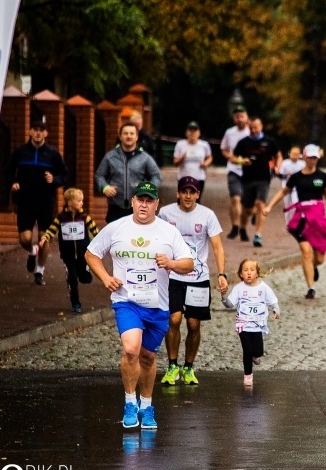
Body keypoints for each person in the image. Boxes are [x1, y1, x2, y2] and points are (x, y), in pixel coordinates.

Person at [85, 181, 194, 430]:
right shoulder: (116, 228)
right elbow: (91, 253)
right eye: (140, 200)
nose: (144, 205)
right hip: (127, 301)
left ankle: (147, 405)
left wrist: (171, 263)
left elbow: (189, 263)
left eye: (149, 201)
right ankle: (129, 402)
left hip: (157, 304)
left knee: (148, 356)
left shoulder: (168, 231)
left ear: (156, 204)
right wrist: (105, 278)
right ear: (132, 201)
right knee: (132, 349)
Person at [157, 176, 229, 386]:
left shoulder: (207, 215)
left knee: (193, 323)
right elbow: (157, 240)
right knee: (174, 319)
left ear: (198, 194)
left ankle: (188, 367)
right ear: (178, 193)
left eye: (192, 192)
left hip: (198, 277)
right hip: (173, 275)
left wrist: (222, 274)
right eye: (184, 192)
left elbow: (217, 247)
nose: (188, 196)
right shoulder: (166, 213)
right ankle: (172, 366)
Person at [263, 144, 326, 299]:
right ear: (304, 157)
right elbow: (283, 192)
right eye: (310, 157)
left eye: (315, 158)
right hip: (302, 218)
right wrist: (269, 207)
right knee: (306, 251)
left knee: (319, 258)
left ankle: (313, 266)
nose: (312, 160)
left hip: (318, 218)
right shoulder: (296, 177)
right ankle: (311, 288)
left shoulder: (322, 176)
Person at [7, 120, 69, 286]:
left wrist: (54, 179)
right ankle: (32, 251)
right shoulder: (20, 152)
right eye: (35, 130)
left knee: (44, 238)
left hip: (45, 202)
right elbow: (8, 171)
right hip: (25, 201)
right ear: (30, 132)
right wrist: (12, 183)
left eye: (41, 130)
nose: (38, 133)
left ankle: (39, 271)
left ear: (46, 133)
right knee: (25, 238)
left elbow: (64, 175)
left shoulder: (53, 154)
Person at [38, 188, 99, 312]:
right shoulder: (61, 217)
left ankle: (86, 270)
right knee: (72, 277)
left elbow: (95, 231)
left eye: (82, 200)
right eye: (79, 200)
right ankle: (75, 303)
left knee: (84, 278)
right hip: (68, 254)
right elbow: (51, 230)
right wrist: (45, 237)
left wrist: (102, 241)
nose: (82, 203)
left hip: (83, 253)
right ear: (70, 203)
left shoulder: (84, 217)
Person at [222, 258, 281, 387]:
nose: (249, 273)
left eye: (252, 270)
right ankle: (248, 375)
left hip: (258, 324)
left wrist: (276, 310)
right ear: (241, 274)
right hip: (243, 324)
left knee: (258, 350)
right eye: (245, 270)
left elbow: (272, 301)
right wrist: (223, 297)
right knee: (247, 350)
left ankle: (256, 355)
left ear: (257, 273)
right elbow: (229, 304)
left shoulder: (263, 287)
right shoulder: (239, 288)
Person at [95, 122, 161, 223]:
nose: (129, 136)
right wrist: (104, 187)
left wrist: (147, 189)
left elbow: (156, 176)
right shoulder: (110, 157)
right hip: (115, 207)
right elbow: (99, 175)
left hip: (137, 206)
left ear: (137, 137)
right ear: (120, 136)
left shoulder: (145, 158)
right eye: (125, 133)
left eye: (132, 133)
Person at [232, 117, 282, 247]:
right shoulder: (243, 142)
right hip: (247, 179)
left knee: (260, 204)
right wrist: (242, 161)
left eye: (256, 127)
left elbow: (278, 155)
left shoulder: (269, 141)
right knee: (247, 209)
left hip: (264, 179)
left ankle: (258, 235)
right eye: (251, 128)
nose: (254, 130)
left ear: (261, 126)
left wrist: (277, 166)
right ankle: (243, 226)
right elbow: (233, 157)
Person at [220, 105, 250, 239]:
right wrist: (229, 157)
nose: (239, 119)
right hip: (234, 169)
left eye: (241, 116)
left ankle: (244, 227)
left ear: (246, 117)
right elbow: (224, 149)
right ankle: (235, 226)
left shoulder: (251, 132)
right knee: (235, 199)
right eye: (237, 117)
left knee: (248, 204)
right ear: (234, 119)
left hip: (249, 171)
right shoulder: (229, 132)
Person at [173, 121, 213, 200]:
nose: (192, 133)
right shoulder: (180, 145)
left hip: (199, 178)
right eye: (190, 131)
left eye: (195, 131)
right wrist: (181, 159)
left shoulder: (204, 145)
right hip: (184, 178)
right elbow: (175, 162)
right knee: (183, 200)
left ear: (199, 133)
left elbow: (209, 157)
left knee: (196, 201)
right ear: (186, 133)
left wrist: (206, 163)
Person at [278, 145, 306, 226]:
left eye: (296, 155)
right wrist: (286, 175)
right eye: (293, 154)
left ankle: (294, 222)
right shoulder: (285, 163)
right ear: (289, 154)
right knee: (287, 205)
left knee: (295, 204)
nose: (294, 157)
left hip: (296, 188)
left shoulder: (302, 164)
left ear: (299, 155)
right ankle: (288, 223)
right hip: (286, 187)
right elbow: (280, 175)